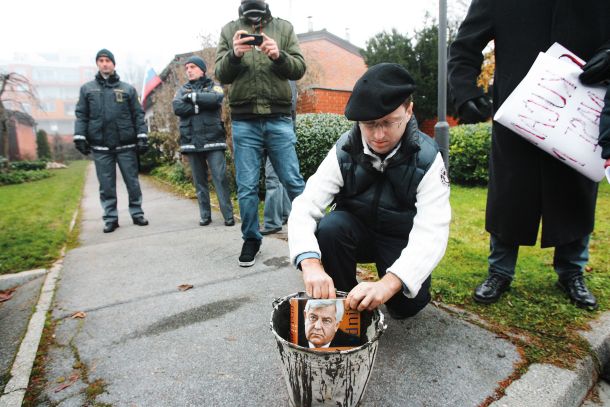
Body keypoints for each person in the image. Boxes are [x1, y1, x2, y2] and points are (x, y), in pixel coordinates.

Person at [448, 0, 610, 309]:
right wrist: (465, 91)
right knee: (510, 192)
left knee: (576, 190)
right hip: (517, 110)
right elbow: (465, 46)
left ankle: (572, 272)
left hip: (580, 110)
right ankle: (499, 271)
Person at [288, 63, 451, 319]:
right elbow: (305, 205)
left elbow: (434, 230)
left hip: (399, 238)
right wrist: (310, 264)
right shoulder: (344, 150)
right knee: (331, 227)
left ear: (409, 110)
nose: (378, 135)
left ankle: (390, 294)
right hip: (355, 232)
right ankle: (346, 303)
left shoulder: (429, 159)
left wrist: (389, 284)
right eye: (369, 124)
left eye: (388, 122)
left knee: (406, 307)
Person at [215, 0, 306, 267]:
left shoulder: (283, 28)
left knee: (293, 181)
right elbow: (221, 74)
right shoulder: (229, 29)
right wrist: (234, 54)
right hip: (245, 121)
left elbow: (299, 68)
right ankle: (251, 239)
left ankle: (311, 235)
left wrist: (279, 55)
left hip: (278, 118)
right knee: (246, 187)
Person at [74, 49, 149, 233]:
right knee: (106, 185)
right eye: (101, 60)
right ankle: (111, 218)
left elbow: (138, 115)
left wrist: (142, 135)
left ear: (114, 64)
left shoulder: (127, 89)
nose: (104, 63)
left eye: (108, 60)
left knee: (132, 182)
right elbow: (82, 115)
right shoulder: (87, 89)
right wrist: (80, 136)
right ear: (97, 64)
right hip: (100, 145)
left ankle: (137, 213)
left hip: (126, 144)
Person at [172, 56, 235, 227]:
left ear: (202, 69)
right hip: (191, 141)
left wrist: (192, 98)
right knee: (199, 181)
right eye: (187, 68)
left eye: (192, 67)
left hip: (213, 140)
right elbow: (177, 107)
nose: (189, 70)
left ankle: (228, 216)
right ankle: (205, 215)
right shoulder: (181, 90)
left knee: (220, 178)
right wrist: (200, 104)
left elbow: (216, 99)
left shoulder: (214, 86)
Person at [261, 81, 297, 235]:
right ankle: (288, 215)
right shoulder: (288, 78)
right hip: (282, 130)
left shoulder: (282, 77)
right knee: (282, 178)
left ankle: (272, 223)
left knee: (273, 179)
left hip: (276, 131)